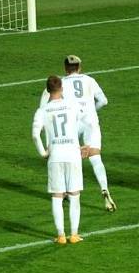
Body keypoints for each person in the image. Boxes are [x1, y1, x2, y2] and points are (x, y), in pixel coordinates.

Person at [39, 55, 116, 212]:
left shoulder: (61, 83)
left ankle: (67, 191)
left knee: (70, 156)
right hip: (90, 121)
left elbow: (45, 106)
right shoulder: (89, 80)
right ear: (80, 67)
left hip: (71, 122)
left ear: (66, 69)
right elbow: (104, 101)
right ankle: (104, 188)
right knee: (95, 157)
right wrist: (91, 111)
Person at [33, 75, 87, 244]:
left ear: (47, 90)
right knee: (74, 195)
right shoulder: (72, 105)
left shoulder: (42, 110)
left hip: (55, 155)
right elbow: (81, 123)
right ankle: (74, 234)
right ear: (61, 88)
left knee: (57, 196)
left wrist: (43, 152)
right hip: (72, 153)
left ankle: (61, 235)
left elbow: (35, 135)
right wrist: (82, 145)